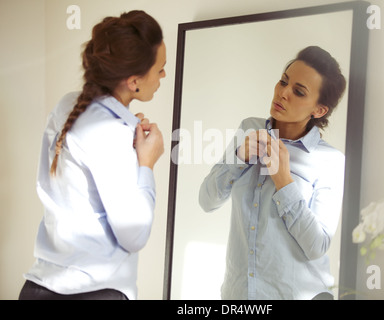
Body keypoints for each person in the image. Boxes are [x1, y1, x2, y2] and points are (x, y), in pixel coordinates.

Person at [18, 10, 166, 300]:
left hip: (39, 287)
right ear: (134, 81)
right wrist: (146, 164)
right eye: (160, 68)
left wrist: (125, 133)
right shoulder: (110, 131)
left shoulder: (68, 105)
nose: (163, 75)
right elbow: (134, 236)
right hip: (92, 293)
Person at [199, 46, 346, 300]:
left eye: (298, 92)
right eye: (283, 81)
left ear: (319, 110)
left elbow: (317, 246)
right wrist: (238, 158)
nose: (283, 93)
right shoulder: (249, 128)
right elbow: (207, 201)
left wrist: (284, 182)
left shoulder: (330, 161)